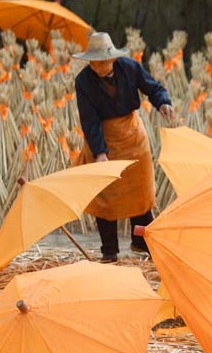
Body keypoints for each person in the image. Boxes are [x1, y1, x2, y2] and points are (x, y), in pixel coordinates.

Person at [73, 31, 174, 262]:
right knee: (106, 197)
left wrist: (163, 103)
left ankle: (141, 242)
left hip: (133, 136)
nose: (98, 67)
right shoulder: (83, 81)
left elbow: (153, 88)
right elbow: (89, 120)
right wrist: (100, 152)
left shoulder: (130, 68)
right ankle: (109, 251)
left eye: (102, 62)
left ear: (113, 59)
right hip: (104, 138)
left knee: (140, 192)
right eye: (94, 63)